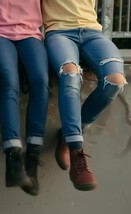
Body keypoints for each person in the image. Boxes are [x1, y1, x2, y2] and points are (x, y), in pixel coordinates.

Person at [42, 0, 128, 191]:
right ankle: (76, 150)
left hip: (92, 33)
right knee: (70, 73)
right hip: (59, 33)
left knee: (115, 81)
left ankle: (70, 133)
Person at [0, 0, 49, 195]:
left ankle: (32, 159)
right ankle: (13, 159)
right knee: (10, 83)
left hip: (30, 34)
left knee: (41, 82)